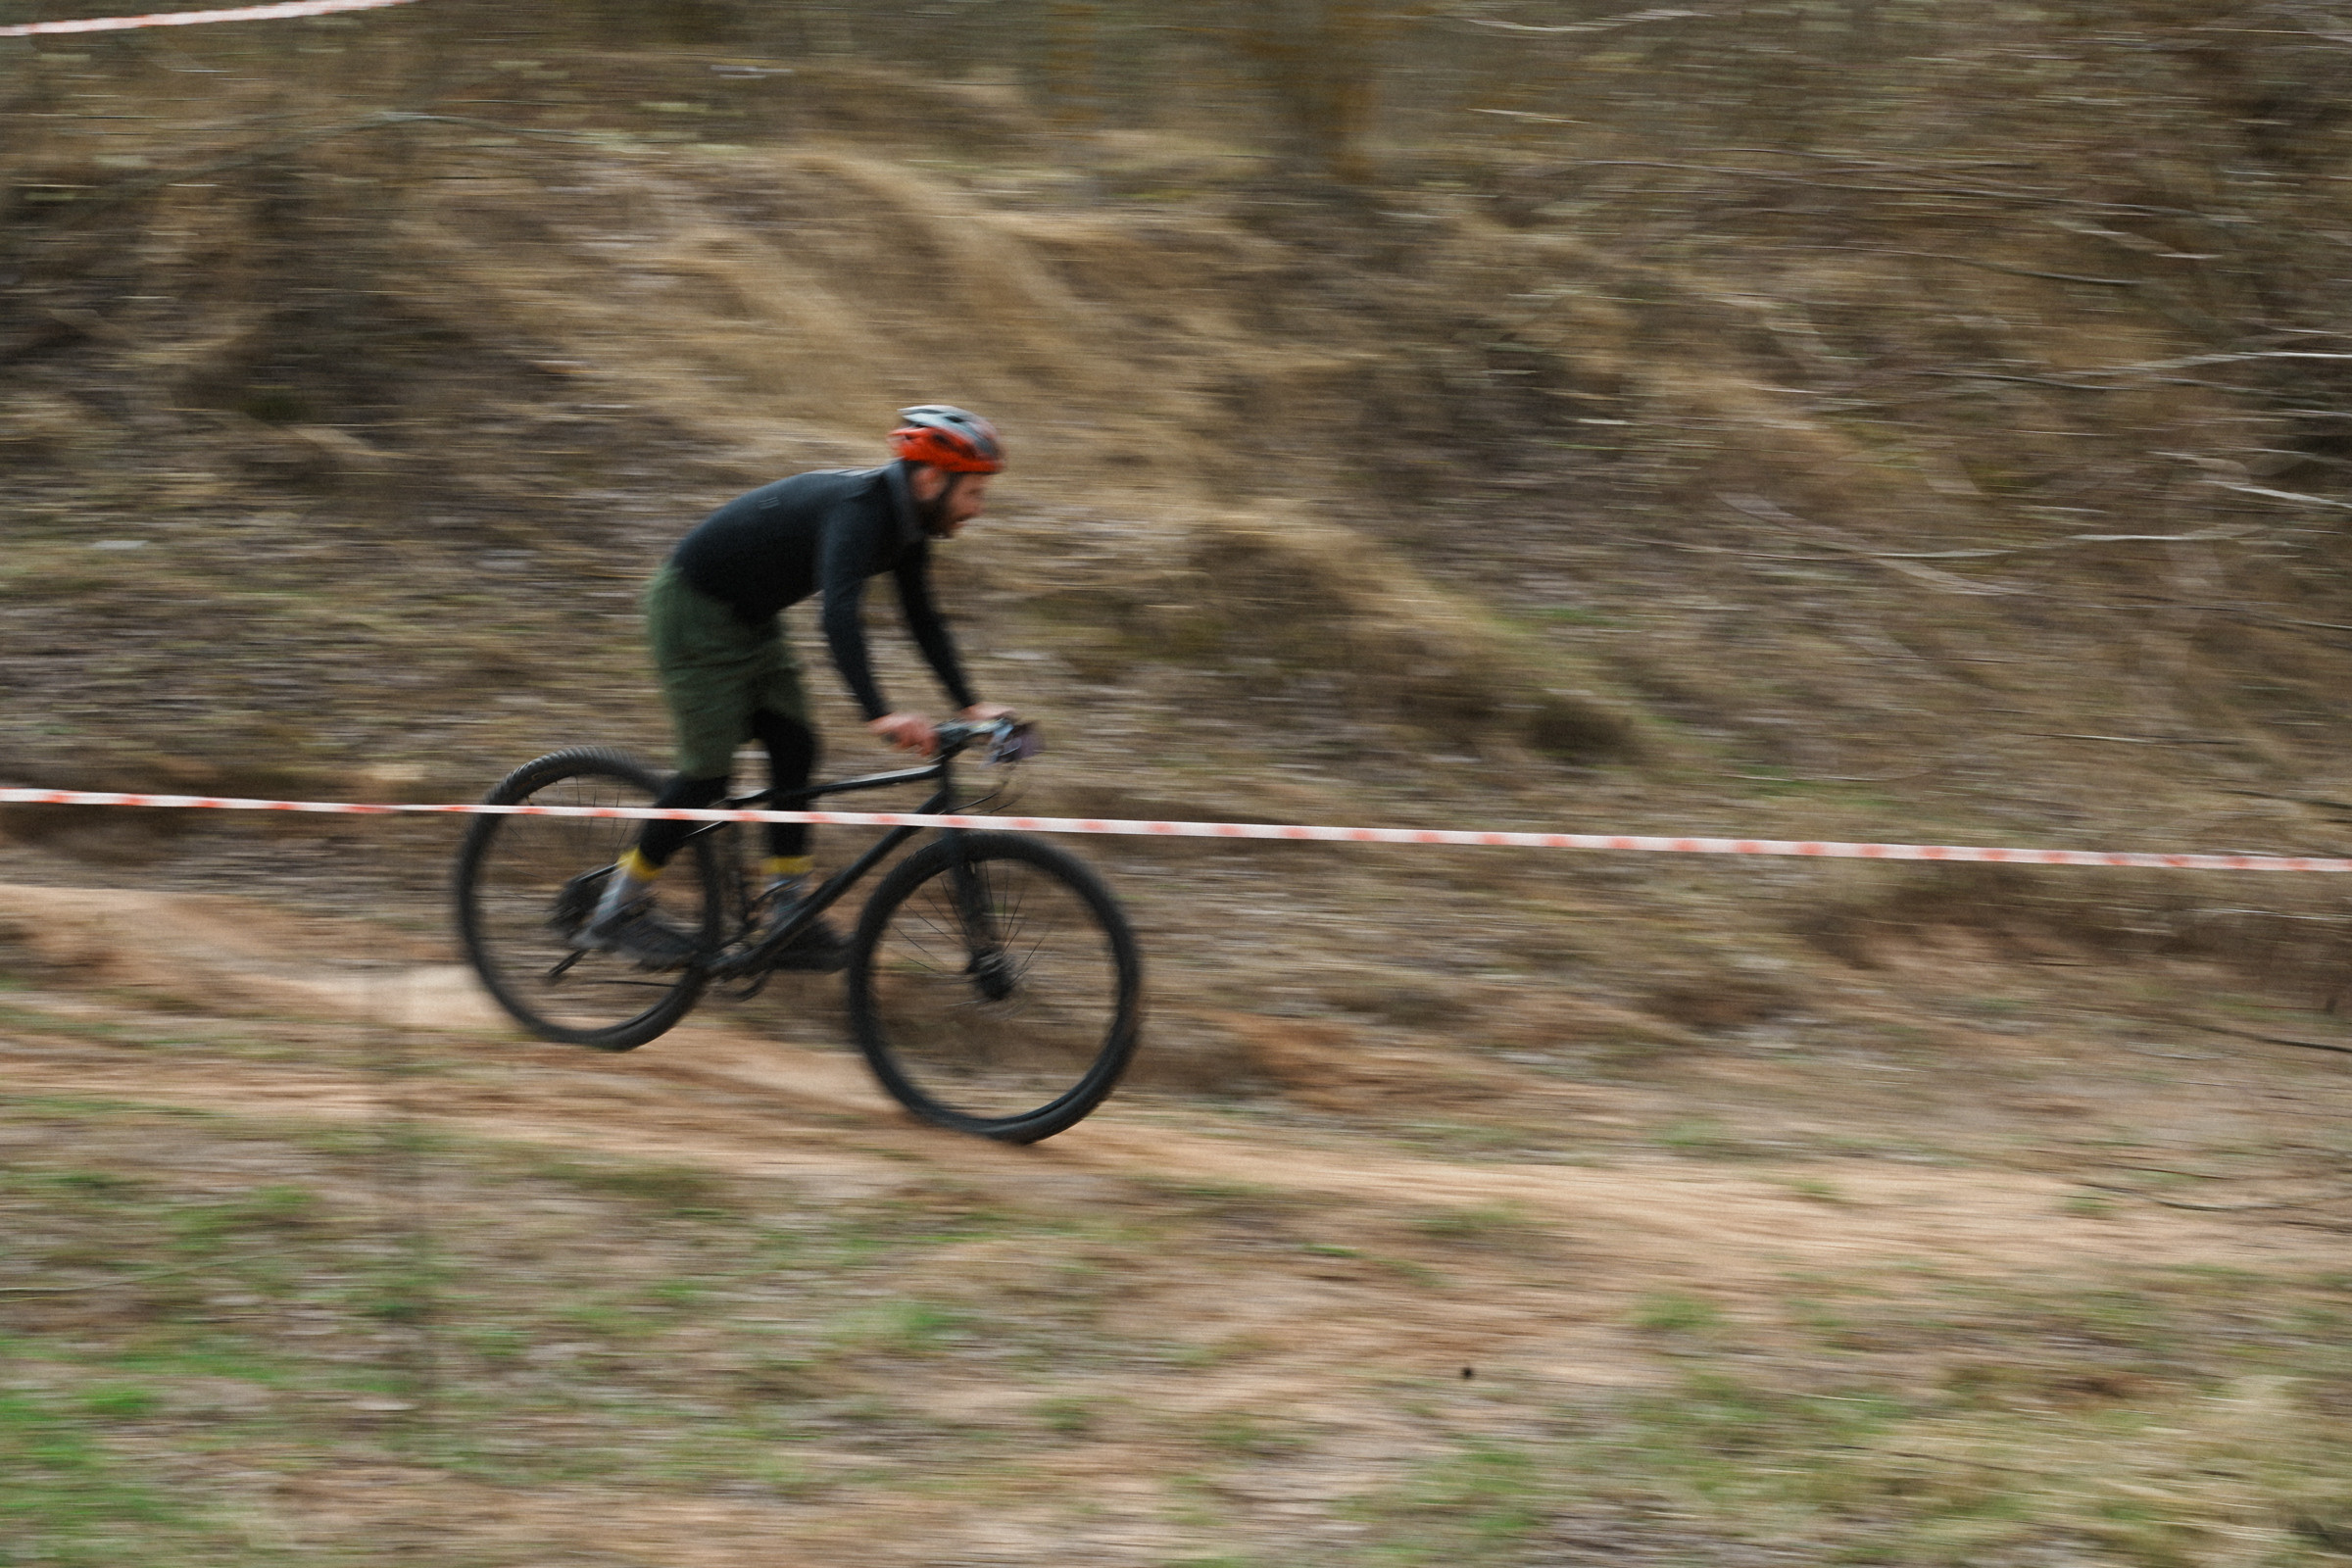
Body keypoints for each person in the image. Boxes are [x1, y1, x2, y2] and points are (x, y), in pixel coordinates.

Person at [581, 405, 1011, 968]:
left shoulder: (908, 529)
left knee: (796, 747)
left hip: (752, 622)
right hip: (691, 611)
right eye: (973, 494)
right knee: (707, 775)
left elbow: (922, 617)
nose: (978, 509)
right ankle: (616, 909)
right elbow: (838, 617)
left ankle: (786, 912)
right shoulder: (860, 512)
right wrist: (879, 713)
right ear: (932, 479)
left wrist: (970, 702)